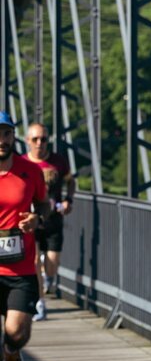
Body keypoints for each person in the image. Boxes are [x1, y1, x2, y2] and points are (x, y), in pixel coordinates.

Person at [0, 111, 49, 361]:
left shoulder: (29, 171)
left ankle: (11, 352)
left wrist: (36, 219)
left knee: (17, 333)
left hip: (20, 269)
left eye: (6, 133)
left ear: (13, 136)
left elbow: (43, 204)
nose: (1, 140)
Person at [23, 123, 74, 320]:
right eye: (35, 139)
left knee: (52, 264)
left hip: (53, 221)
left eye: (43, 139)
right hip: (32, 221)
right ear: (28, 140)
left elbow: (70, 181)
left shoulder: (58, 161)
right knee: (34, 261)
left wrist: (68, 200)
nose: (39, 143)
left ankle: (47, 274)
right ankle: (40, 303)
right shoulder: (22, 163)